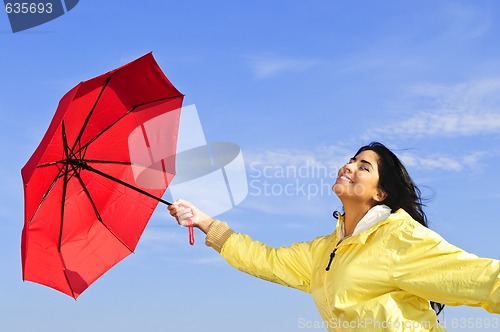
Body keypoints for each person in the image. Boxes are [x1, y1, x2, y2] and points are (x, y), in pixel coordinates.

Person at [168, 142, 500, 331]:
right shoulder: (326, 250)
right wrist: (205, 222)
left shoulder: (399, 237)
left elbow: (477, 278)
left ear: (381, 193)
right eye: (351, 160)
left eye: (363, 167)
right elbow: (266, 260)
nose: (349, 166)